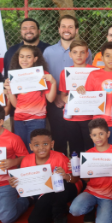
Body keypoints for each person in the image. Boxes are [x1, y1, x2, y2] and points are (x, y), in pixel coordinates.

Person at [12, 128, 80, 223]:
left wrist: (65, 176)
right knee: (35, 222)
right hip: (44, 194)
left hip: (66, 190)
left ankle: (59, 217)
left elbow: (75, 179)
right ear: (30, 146)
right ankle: (58, 208)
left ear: (52, 144)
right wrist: (16, 184)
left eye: (45, 144)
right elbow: (25, 185)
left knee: (58, 184)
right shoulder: (26, 160)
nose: (41, 148)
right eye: (36, 145)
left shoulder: (60, 158)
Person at [43, 15, 92, 156]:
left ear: (76, 30)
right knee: (59, 140)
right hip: (56, 102)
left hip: (82, 105)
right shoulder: (48, 51)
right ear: (58, 29)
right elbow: (45, 77)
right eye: (63, 26)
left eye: (70, 27)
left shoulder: (85, 51)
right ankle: (63, 173)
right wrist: (57, 96)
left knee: (81, 141)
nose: (66, 29)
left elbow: (90, 78)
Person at [68, 119, 112, 223]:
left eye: (101, 134)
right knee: (74, 210)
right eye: (94, 135)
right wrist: (79, 170)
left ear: (108, 134)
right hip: (91, 191)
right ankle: (91, 208)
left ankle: (110, 207)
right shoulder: (88, 154)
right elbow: (86, 179)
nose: (98, 137)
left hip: (109, 195)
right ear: (90, 137)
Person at [77, 41, 112, 152]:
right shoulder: (94, 75)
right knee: (100, 159)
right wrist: (80, 91)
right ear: (101, 58)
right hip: (98, 125)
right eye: (107, 55)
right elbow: (86, 100)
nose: (111, 59)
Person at [5, 45, 57, 147]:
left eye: (28, 57)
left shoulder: (43, 75)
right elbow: (16, 105)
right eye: (21, 56)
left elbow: (50, 99)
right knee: (21, 149)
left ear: (35, 59)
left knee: (35, 149)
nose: (24, 59)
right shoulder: (15, 77)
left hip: (37, 119)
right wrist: (10, 90)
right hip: (19, 120)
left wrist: (53, 82)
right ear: (18, 58)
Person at [58, 39, 95, 155]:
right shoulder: (65, 73)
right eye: (75, 52)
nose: (78, 55)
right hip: (71, 118)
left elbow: (99, 94)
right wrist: (68, 99)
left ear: (87, 54)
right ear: (70, 54)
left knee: (90, 149)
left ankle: (90, 172)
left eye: (82, 52)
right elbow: (63, 96)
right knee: (75, 150)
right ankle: (77, 173)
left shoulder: (94, 71)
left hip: (89, 117)